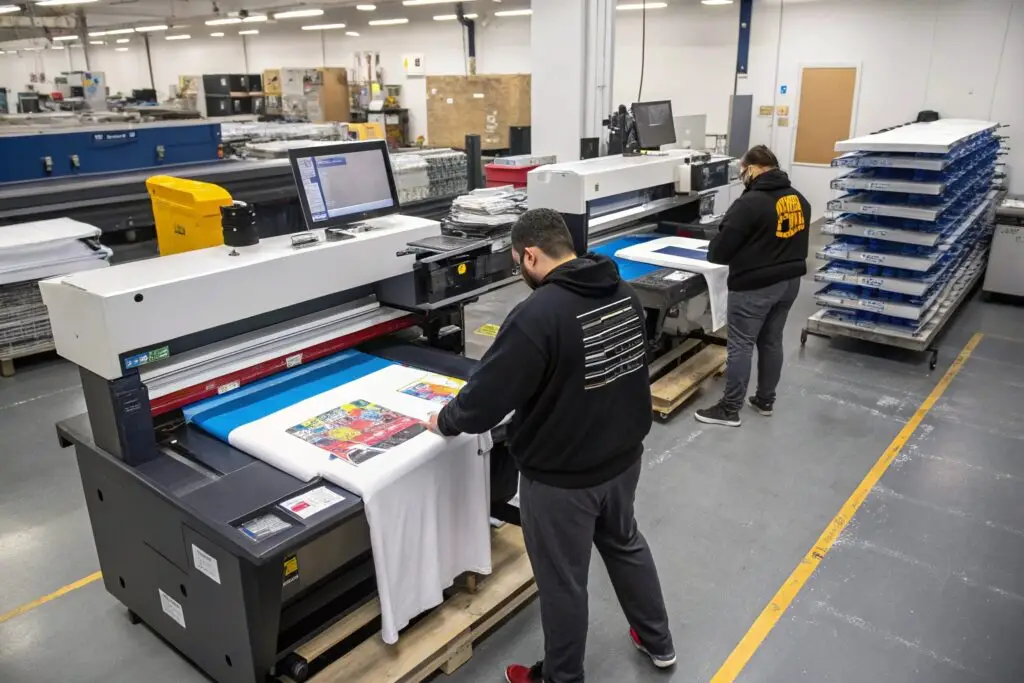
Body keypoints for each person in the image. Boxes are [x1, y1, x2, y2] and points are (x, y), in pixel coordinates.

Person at [427, 208, 675, 683]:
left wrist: (444, 419)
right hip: (623, 458)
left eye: (519, 260)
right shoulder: (621, 292)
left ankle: (560, 678)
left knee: (563, 582)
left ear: (532, 255)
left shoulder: (538, 314)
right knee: (625, 543)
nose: (520, 269)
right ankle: (658, 640)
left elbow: (486, 400)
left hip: (563, 480)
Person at [695, 145, 811, 427]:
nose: (742, 176)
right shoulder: (799, 199)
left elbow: (719, 253)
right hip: (789, 284)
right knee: (771, 341)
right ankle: (765, 400)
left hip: (754, 288)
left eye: (743, 171)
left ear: (756, 169)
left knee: (740, 346)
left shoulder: (749, 204)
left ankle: (730, 409)